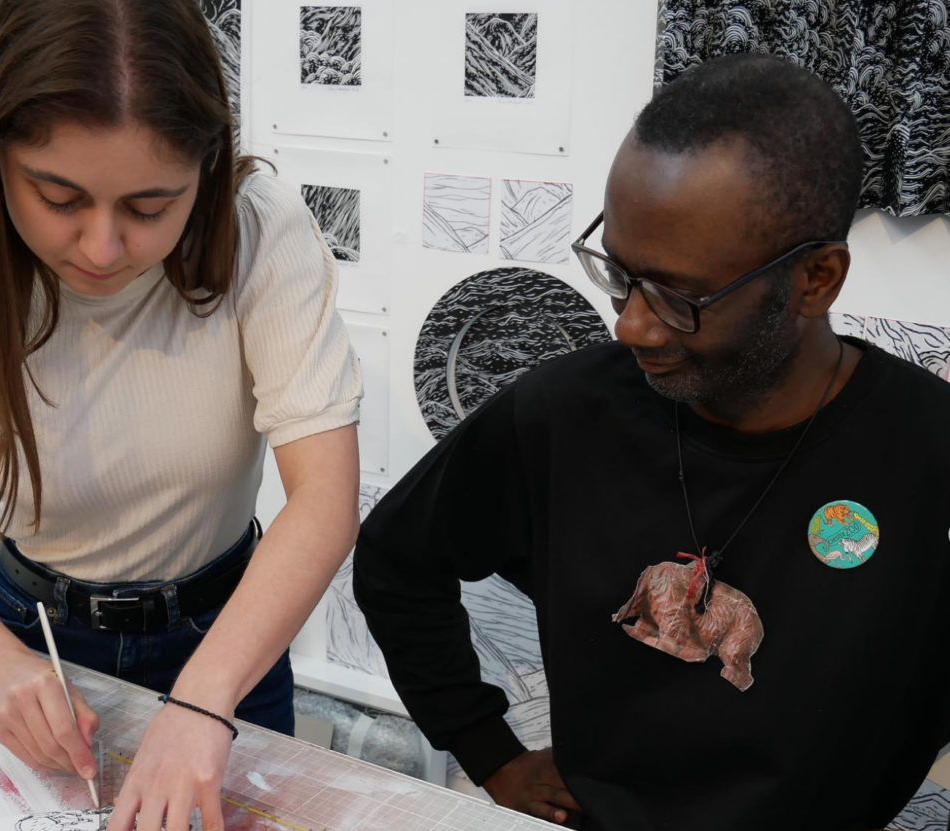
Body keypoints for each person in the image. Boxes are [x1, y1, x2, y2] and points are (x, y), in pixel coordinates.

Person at [352, 53, 950, 831]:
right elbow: (399, 559)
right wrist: (484, 745)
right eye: (619, 273)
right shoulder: (565, 413)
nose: (630, 323)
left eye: (677, 296)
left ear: (814, 279)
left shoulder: (926, 450)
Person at [0, 2, 363, 830]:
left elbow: (322, 494)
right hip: (36, 639)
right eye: (59, 197)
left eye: (150, 207)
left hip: (225, 636)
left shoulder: (256, 227)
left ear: (204, 170)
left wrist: (202, 702)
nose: (101, 248)